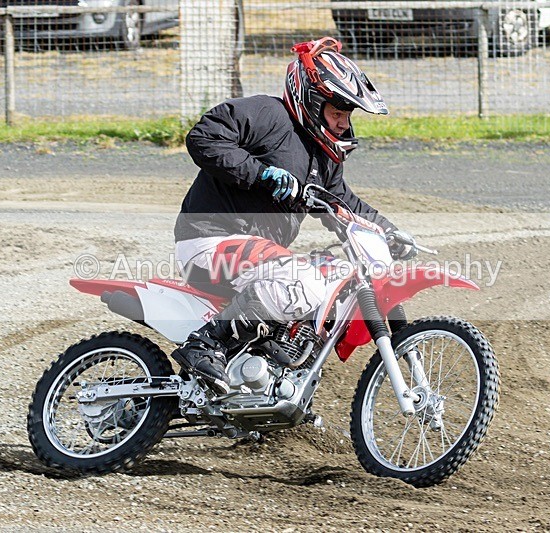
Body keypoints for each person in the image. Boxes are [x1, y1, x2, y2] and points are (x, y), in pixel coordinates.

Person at [171, 37, 417, 394]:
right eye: (337, 112)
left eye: (348, 116)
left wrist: (390, 232)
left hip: (255, 256)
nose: (343, 125)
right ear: (313, 102)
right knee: (302, 278)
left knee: (333, 276)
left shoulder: (322, 159)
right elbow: (204, 138)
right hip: (210, 239)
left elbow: (344, 204)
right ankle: (203, 345)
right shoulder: (265, 115)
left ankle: (263, 383)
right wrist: (260, 174)